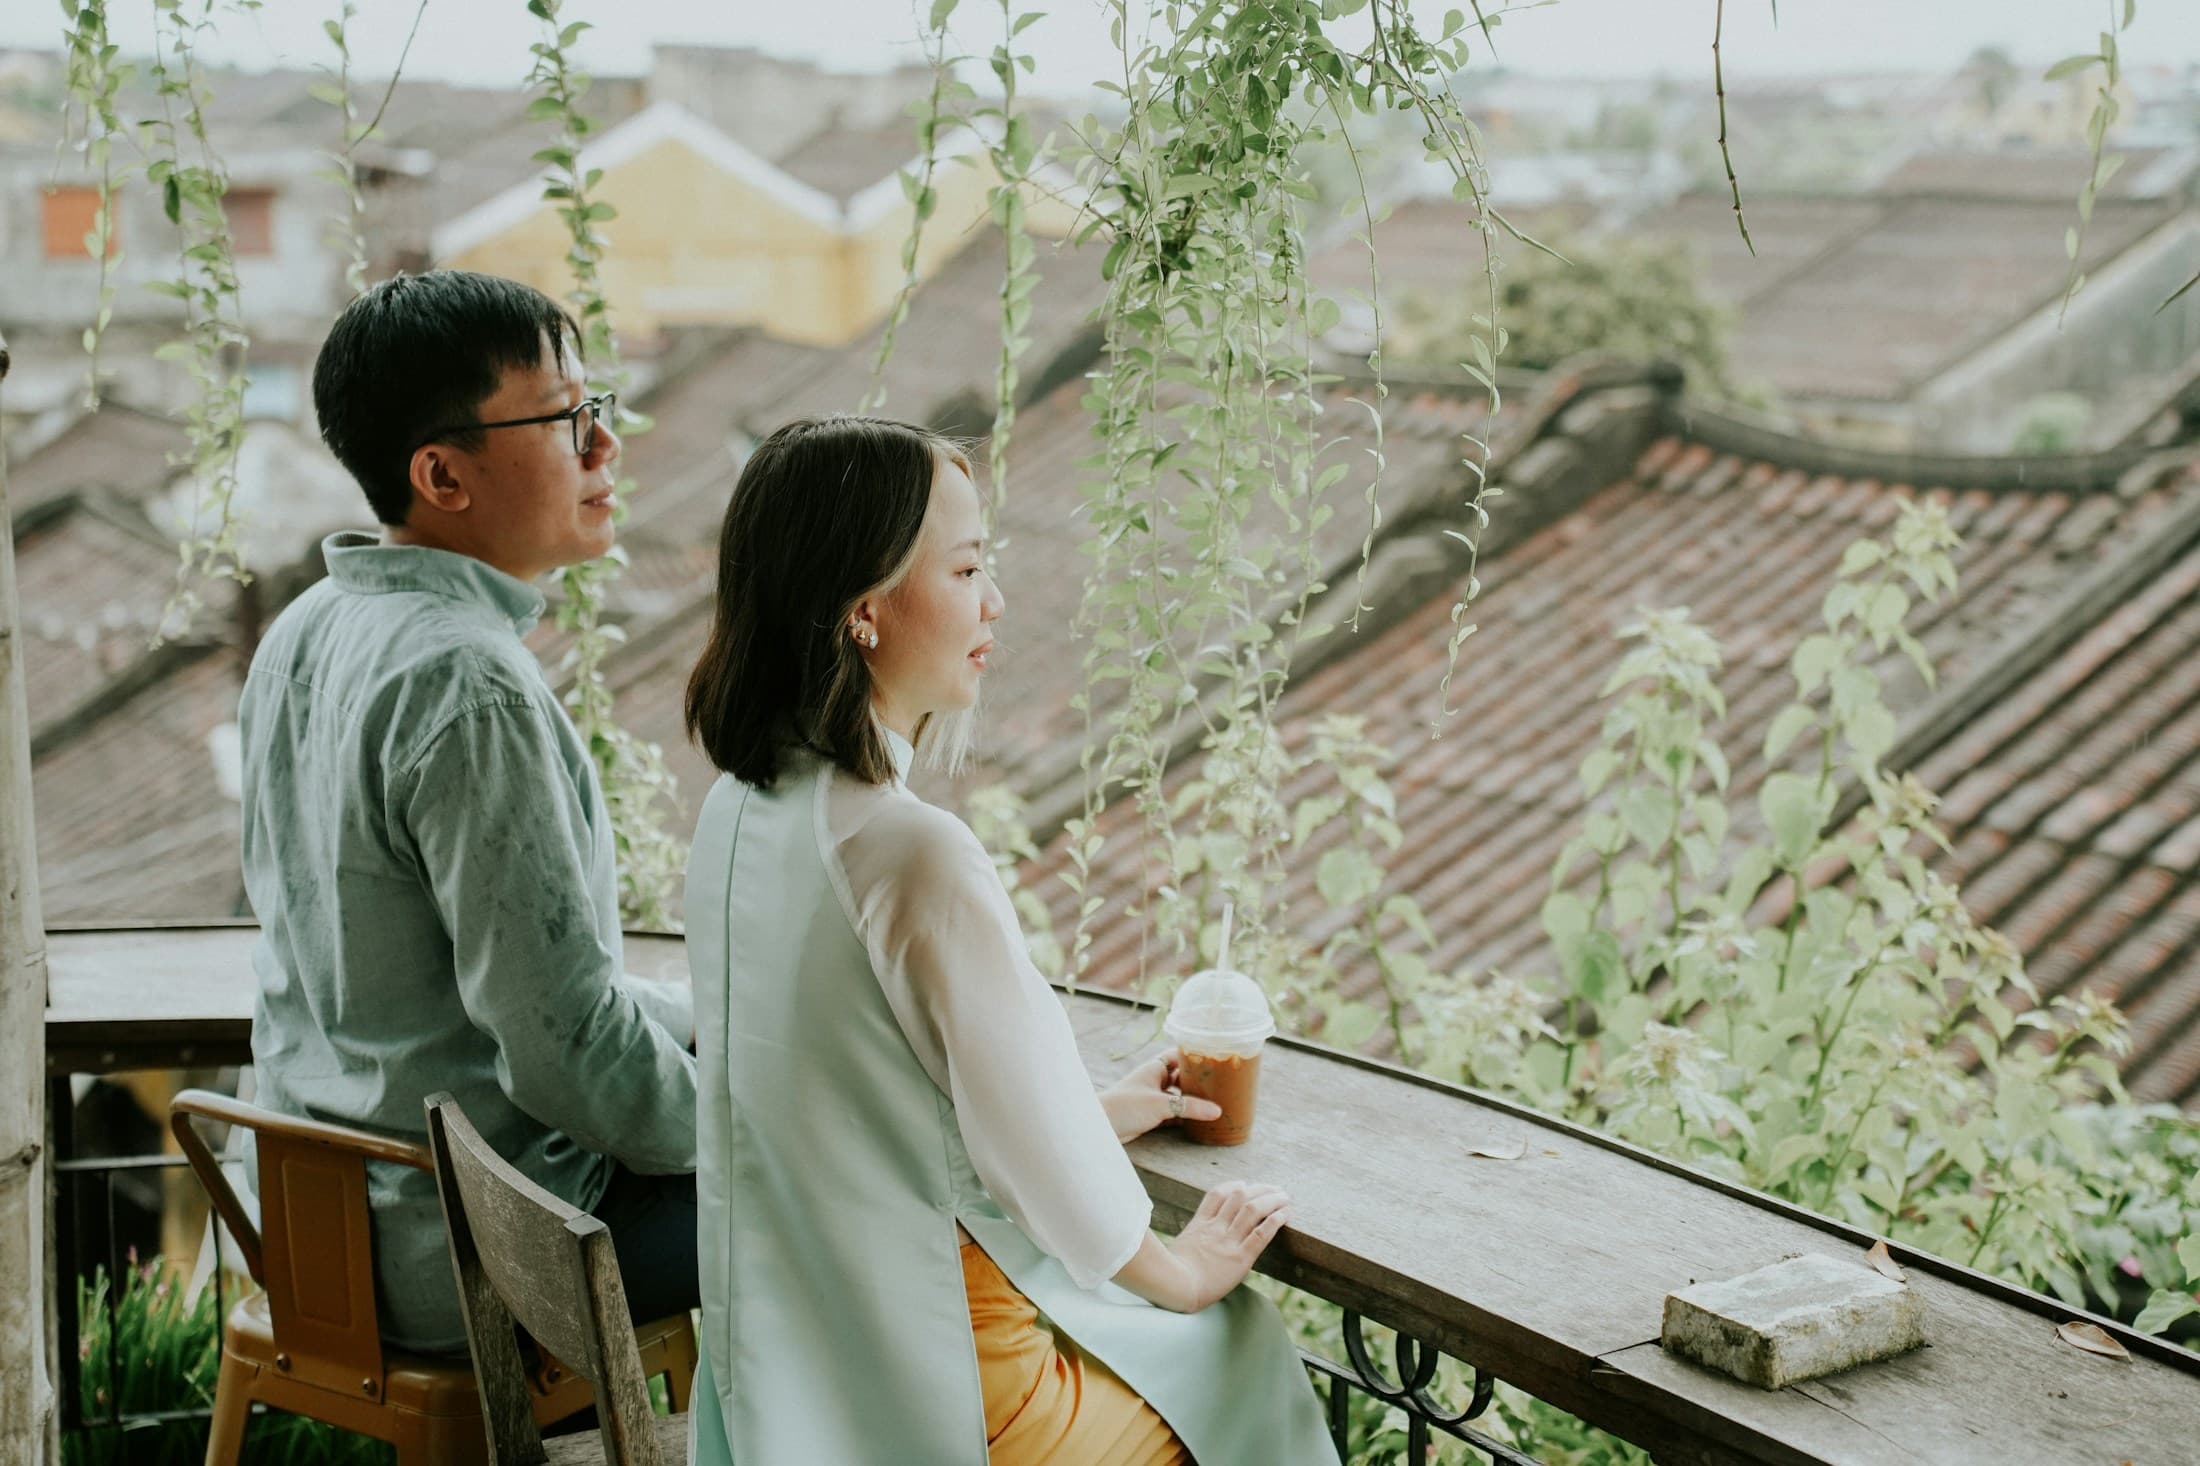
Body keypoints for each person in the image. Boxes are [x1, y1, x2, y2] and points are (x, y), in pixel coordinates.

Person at [680, 414, 1338, 1464]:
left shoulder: (737, 814)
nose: (995, 601)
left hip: (790, 1374)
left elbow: (859, 1100)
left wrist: (1099, 1109)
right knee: (1238, 1353)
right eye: (969, 566)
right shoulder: (906, 851)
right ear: (864, 607)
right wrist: (1186, 1267)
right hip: (954, 1391)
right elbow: (1032, 1153)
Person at [236, 270, 700, 1353]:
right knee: (875, 1191)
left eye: (601, 409)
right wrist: (756, 1124)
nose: (605, 448)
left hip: (323, 1237)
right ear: (441, 473)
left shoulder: (306, 628)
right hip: (474, 1255)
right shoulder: (467, 683)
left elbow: (471, 988)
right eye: (567, 418)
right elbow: (565, 1052)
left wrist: (695, 1015)